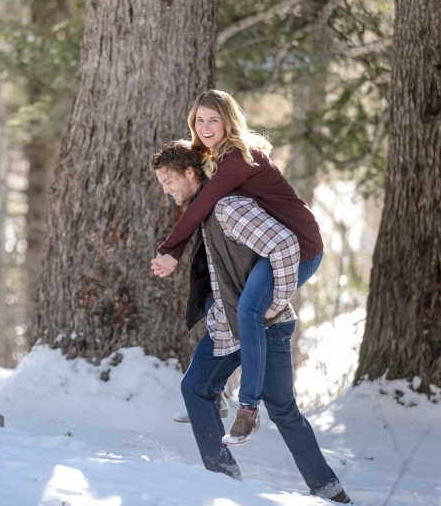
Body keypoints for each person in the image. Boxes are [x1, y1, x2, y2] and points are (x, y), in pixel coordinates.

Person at [149, 141, 351, 504]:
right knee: (195, 387)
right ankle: (223, 480)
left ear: (191, 173)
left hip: (263, 325)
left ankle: (331, 494)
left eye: (168, 180)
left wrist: (272, 304)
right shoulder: (204, 211)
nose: (165, 189)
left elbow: (286, 244)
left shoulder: (228, 207)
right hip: (228, 324)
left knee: (282, 410)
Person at [152, 90, 323, 445]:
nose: (206, 126)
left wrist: (171, 249)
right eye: (199, 120)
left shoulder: (237, 158)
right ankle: (212, 392)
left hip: (300, 247)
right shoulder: (210, 155)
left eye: (214, 119)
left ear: (229, 121)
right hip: (268, 247)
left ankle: (248, 408)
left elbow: (200, 209)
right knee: (226, 302)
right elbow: (189, 174)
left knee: (248, 309)